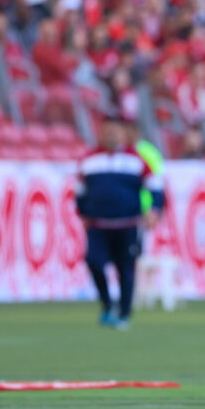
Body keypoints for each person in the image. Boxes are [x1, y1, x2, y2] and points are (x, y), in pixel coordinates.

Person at [75, 115, 164, 330]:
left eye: (114, 130)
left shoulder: (136, 160)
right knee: (94, 262)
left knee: (125, 268)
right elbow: (80, 192)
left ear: (123, 134)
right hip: (98, 225)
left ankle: (124, 312)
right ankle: (107, 305)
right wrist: (83, 212)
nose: (110, 134)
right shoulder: (89, 159)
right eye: (106, 130)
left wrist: (154, 210)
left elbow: (156, 187)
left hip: (128, 224)